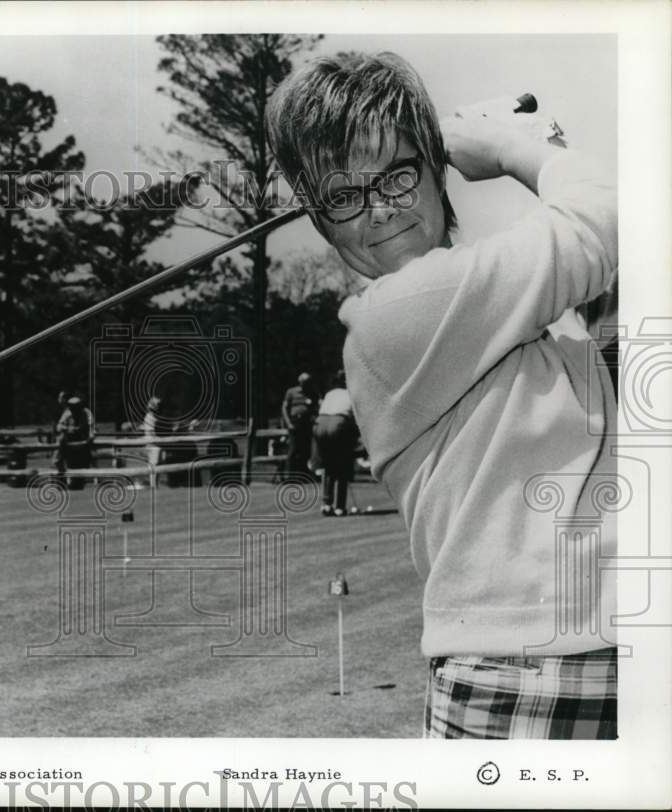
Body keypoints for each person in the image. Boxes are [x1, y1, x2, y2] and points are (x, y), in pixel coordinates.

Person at [267, 51, 617, 738]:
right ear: (321, 221)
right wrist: (512, 148)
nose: (379, 210)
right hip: (526, 666)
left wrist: (545, 146)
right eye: (343, 195)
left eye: (397, 174)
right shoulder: (401, 311)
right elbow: (606, 219)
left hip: (585, 647)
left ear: (435, 170)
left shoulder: (493, 300)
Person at [311, 371, 358, 517]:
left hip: (320, 424)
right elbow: (355, 419)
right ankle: (339, 507)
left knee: (328, 465)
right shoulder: (353, 393)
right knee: (342, 465)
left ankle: (326, 504)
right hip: (338, 423)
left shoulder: (330, 393)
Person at [280, 372, 317, 481]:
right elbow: (284, 408)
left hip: (307, 423)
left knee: (306, 449)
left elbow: (316, 406)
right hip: (294, 422)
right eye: (305, 383)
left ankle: (303, 474)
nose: (306, 385)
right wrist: (288, 423)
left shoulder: (311, 392)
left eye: (308, 383)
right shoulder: (291, 392)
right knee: (293, 449)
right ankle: (289, 475)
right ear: (300, 382)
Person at [54, 395, 95, 490]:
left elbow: (91, 428)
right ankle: (62, 481)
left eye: (75, 406)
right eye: (72, 406)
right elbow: (59, 427)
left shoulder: (86, 413)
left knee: (80, 464)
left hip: (82, 441)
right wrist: (69, 429)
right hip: (68, 442)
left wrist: (90, 436)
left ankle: (76, 483)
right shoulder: (67, 413)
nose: (73, 409)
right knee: (60, 460)